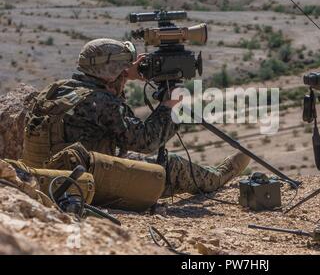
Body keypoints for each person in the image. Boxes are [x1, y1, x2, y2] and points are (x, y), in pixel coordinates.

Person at [17, 38, 250, 211]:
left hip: (44, 178)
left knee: (137, 162)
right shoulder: (100, 101)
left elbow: (107, 120)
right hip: (79, 185)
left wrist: (122, 75)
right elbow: (146, 142)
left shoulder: (59, 89)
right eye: (122, 68)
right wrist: (168, 106)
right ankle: (218, 177)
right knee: (168, 168)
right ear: (111, 71)